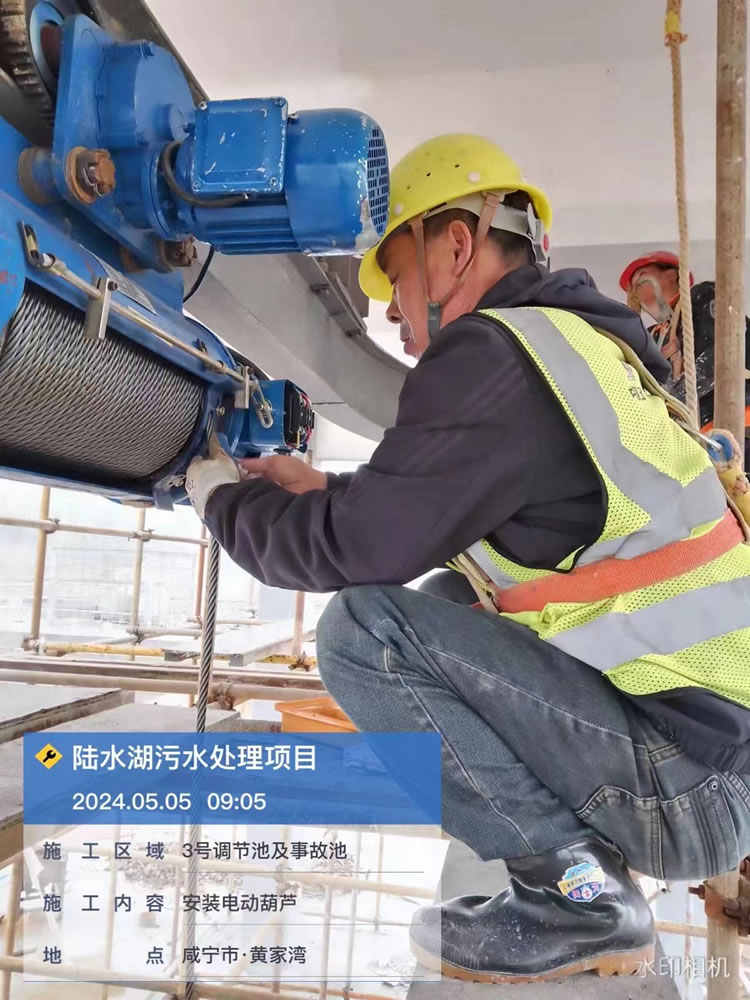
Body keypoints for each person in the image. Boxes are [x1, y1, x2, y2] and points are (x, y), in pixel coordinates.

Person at [186, 134, 750, 985]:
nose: (391, 313)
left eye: (397, 278)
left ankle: (579, 898)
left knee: (363, 633)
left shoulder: (493, 353)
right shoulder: (573, 348)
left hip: (685, 786)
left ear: (456, 244)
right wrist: (324, 487)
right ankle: (585, 877)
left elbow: (355, 549)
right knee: (452, 593)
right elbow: (448, 501)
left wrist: (218, 499)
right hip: (714, 765)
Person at [619, 250, 750, 463]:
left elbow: (720, 356)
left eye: (642, 276)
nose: (635, 288)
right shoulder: (652, 336)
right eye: (631, 286)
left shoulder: (703, 297)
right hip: (696, 439)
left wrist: (670, 404)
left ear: (673, 274)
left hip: (739, 425)